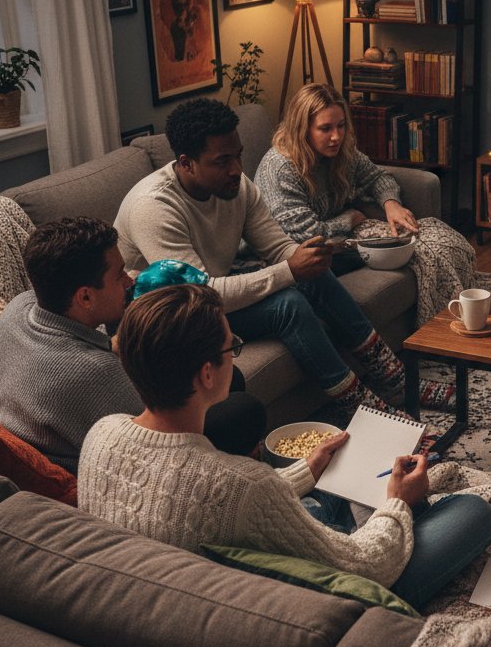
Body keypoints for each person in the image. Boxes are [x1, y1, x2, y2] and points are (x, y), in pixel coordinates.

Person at [77, 284, 491, 609]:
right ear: (207, 375)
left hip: (177, 585)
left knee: (336, 484)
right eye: (231, 347)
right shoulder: (242, 483)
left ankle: (369, 511)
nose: (236, 355)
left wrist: (307, 470)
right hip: (342, 596)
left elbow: (223, 503)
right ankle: (395, 511)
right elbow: (368, 569)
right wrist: (398, 504)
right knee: (473, 513)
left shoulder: (101, 435)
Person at [114, 98, 450, 421]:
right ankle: (358, 404)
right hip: (167, 318)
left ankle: (394, 380)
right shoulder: (154, 208)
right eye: (222, 161)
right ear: (186, 163)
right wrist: (291, 269)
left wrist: (306, 257)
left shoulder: (237, 187)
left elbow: (277, 247)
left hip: (212, 296)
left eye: (238, 156)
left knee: (313, 272)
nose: (236, 170)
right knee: (287, 304)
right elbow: (202, 296)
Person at [0, 217, 265, 473]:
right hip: (84, 468)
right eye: (119, 275)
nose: (130, 280)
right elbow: (165, 432)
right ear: (85, 297)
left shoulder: (18, 308)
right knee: (240, 406)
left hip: (37, 420)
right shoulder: (94, 372)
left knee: (228, 379)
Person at [255, 84, 476, 324]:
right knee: (423, 251)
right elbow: (306, 237)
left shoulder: (341, 150)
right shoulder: (281, 169)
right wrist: (348, 219)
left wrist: (391, 203)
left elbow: (377, 176)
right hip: (311, 257)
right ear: (302, 129)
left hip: (345, 238)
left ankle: (471, 315)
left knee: (443, 236)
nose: (336, 136)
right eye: (325, 128)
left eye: (341, 126)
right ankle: (441, 331)